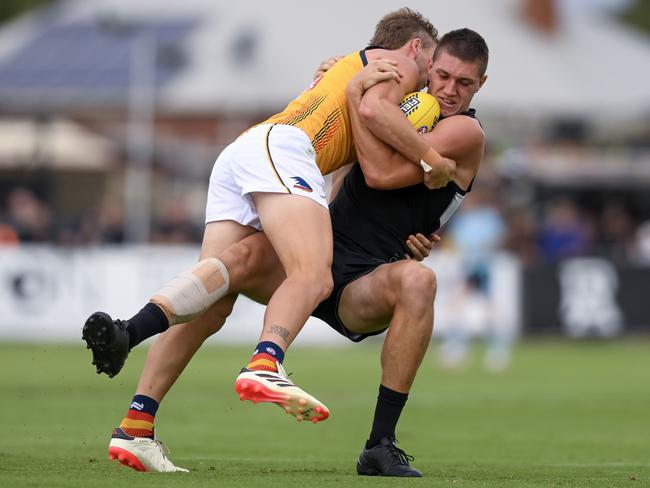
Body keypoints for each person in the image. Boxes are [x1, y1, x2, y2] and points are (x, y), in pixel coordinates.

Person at [103, 28, 489, 477]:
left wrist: (357, 96)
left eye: (464, 83)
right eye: (442, 76)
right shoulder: (406, 107)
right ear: (429, 65)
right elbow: (347, 176)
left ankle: (379, 445)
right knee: (230, 273)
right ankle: (132, 373)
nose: (449, 90)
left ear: (480, 84)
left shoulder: (465, 130)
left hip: (367, 279)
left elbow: (380, 174)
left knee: (420, 280)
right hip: (327, 242)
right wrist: (355, 98)